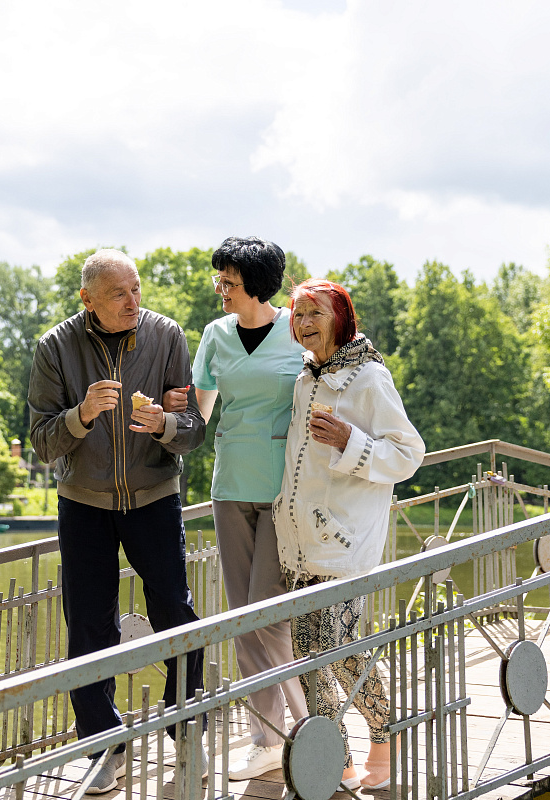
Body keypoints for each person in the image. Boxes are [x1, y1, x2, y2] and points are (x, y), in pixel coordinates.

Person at [28, 249, 207, 795]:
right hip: (83, 502)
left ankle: (184, 727)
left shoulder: (168, 335)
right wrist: (81, 415)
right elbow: (40, 441)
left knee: (176, 610)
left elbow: (195, 428)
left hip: (154, 494)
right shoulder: (54, 348)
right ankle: (106, 745)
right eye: (119, 294)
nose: (134, 302)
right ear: (88, 300)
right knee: (88, 626)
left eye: (136, 289)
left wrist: (164, 425)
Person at [164, 236, 310, 781]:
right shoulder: (215, 336)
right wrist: (168, 417)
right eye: (219, 280)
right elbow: (197, 416)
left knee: (266, 615)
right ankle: (266, 740)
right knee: (243, 618)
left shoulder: (298, 327)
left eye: (228, 280)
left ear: (256, 283)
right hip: (229, 489)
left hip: (284, 490)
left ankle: (313, 731)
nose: (221, 289)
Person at [274, 279, 424, 791]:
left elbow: (408, 454)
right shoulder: (303, 379)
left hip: (343, 542)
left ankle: (385, 737)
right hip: (298, 541)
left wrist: (352, 442)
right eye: (297, 315)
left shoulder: (369, 377)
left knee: (338, 647)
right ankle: (332, 758)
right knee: (309, 650)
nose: (304, 323)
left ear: (339, 316)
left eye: (314, 312)